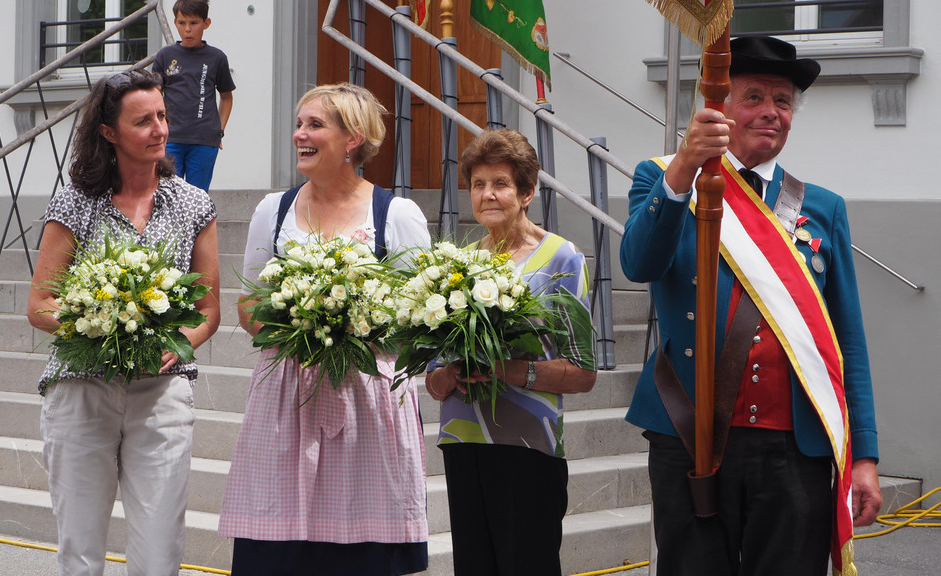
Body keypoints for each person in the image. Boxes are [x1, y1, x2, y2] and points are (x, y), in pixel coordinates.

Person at [620, 36, 881, 576]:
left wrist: (864, 456)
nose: (771, 112)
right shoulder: (666, 178)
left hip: (795, 446)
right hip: (689, 433)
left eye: (782, 101)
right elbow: (639, 263)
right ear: (720, 108)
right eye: (754, 97)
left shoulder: (823, 207)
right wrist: (684, 167)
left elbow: (845, 344)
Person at [218, 83, 430, 576]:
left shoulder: (396, 216)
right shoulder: (273, 211)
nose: (299, 134)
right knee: (277, 554)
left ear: (353, 138)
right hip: (286, 394)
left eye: (314, 125)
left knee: (359, 558)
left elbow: (420, 317)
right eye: (299, 124)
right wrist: (298, 330)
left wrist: (353, 329)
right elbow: (248, 304)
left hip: (367, 399)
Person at [26, 69, 221, 576]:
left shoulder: (193, 203)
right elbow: (40, 303)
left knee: (159, 555)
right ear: (109, 132)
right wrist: (98, 327)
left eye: (162, 116)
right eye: (143, 121)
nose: (160, 129)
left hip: (162, 391)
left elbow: (208, 311)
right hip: (81, 387)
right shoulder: (75, 202)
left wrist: (180, 342)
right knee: (80, 553)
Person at [424, 129, 598, 576]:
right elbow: (434, 378)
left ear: (526, 193)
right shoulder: (458, 265)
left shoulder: (562, 258)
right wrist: (447, 375)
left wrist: (509, 370)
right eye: (478, 184)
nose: (487, 194)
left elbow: (583, 372)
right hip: (464, 442)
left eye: (500, 183)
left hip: (528, 445)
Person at [152, 0, 235, 192]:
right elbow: (153, 96)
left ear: (206, 23)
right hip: (170, 139)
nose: (187, 29)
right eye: (182, 23)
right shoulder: (165, 56)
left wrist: (220, 130)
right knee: (167, 193)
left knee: (198, 196)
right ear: (175, 23)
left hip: (204, 140)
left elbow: (227, 97)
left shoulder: (217, 58)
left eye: (194, 23)